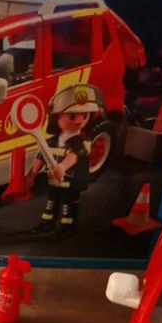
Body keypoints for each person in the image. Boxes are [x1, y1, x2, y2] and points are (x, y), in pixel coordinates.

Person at [25, 84, 104, 239]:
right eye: (72, 116)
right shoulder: (53, 140)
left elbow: (74, 156)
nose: (79, 121)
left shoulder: (82, 141)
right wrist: (32, 174)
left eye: (85, 116)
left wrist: (62, 167)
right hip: (54, 179)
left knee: (69, 203)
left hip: (72, 180)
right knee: (52, 201)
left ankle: (67, 227)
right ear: (56, 117)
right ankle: (48, 223)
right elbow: (42, 156)